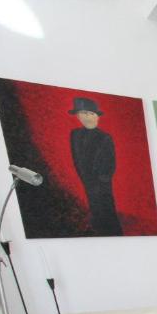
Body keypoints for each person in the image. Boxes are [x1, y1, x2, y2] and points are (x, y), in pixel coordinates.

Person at [68, 97, 122, 236]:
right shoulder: (75, 135)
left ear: (97, 116)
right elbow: (77, 157)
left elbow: (110, 162)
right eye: (84, 113)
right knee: (94, 204)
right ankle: (99, 226)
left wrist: (103, 179)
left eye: (92, 114)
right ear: (78, 116)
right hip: (86, 178)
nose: (88, 117)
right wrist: (85, 177)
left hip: (101, 181)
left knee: (105, 204)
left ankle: (112, 231)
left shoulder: (104, 137)